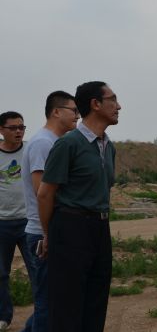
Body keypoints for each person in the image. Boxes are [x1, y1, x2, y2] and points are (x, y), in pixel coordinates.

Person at [37, 81, 120, 332]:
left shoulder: (109, 147)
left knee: (96, 301)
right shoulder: (68, 143)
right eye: (112, 99)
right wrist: (49, 234)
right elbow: (45, 194)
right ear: (95, 104)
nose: (119, 106)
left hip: (100, 227)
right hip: (70, 228)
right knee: (67, 306)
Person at [20, 92, 79, 332]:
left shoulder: (54, 141)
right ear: (56, 111)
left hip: (50, 230)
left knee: (52, 300)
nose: (77, 115)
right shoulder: (44, 143)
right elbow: (42, 192)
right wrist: (49, 234)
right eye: (73, 110)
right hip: (44, 232)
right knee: (47, 302)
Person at [0, 111, 30, 332]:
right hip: (2, 222)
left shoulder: (30, 150)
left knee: (38, 269)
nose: (18, 131)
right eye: (13, 128)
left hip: (29, 221)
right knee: (1, 273)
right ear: (1, 130)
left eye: (21, 127)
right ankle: (3, 316)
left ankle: (45, 314)